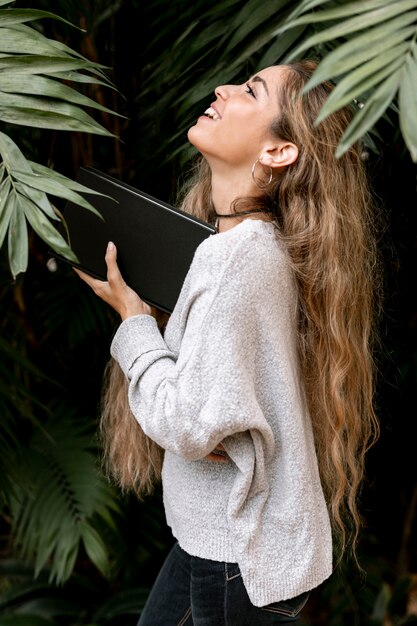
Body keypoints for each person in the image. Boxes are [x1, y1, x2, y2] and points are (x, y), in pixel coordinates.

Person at [74, 60, 381, 625]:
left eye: (251, 90)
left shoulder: (236, 259)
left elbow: (189, 426)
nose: (222, 88)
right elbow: (222, 409)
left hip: (237, 554)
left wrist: (133, 321)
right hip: (222, 538)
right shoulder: (250, 246)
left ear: (278, 152)